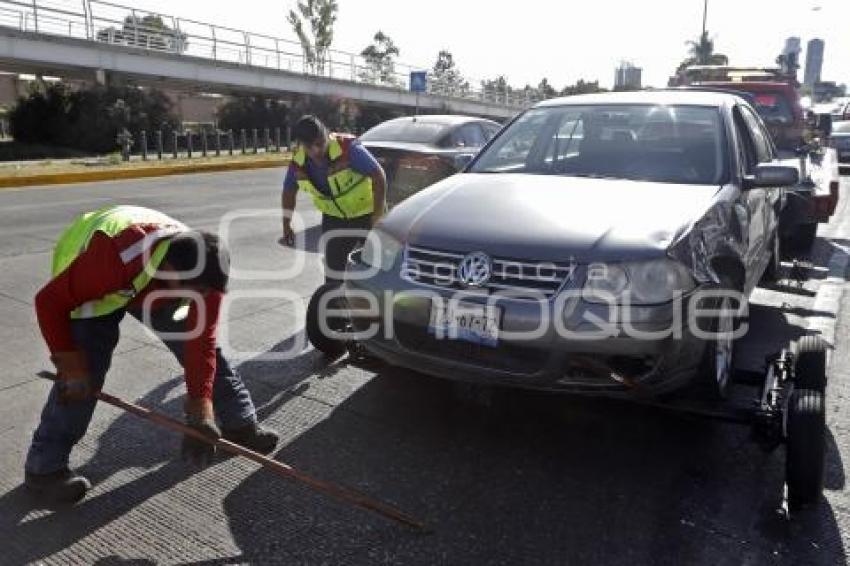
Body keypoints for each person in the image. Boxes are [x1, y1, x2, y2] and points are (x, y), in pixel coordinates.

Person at [25, 205, 279, 503]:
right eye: (194, 288)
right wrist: (70, 365)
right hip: (94, 288)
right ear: (170, 268)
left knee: (209, 354)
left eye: (205, 291)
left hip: (151, 285)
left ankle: (240, 425)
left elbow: (201, 344)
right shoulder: (113, 258)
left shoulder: (206, 277)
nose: (200, 296)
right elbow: (49, 302)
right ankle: (44, 469)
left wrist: (200, 411)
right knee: (84, 378)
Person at [281, 115, 387, 283]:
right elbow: (289, 191)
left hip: (366, 217)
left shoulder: (347, 149)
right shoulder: (298, 162)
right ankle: (333, 305)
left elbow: (378, 176)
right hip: (334, 220)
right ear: (301, 144)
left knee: (378, 269)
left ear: (327, 136)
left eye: (320, 143)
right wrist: (287, 224)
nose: (317, 150)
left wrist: (377, 216)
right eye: (310, 146)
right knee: (333, 275)